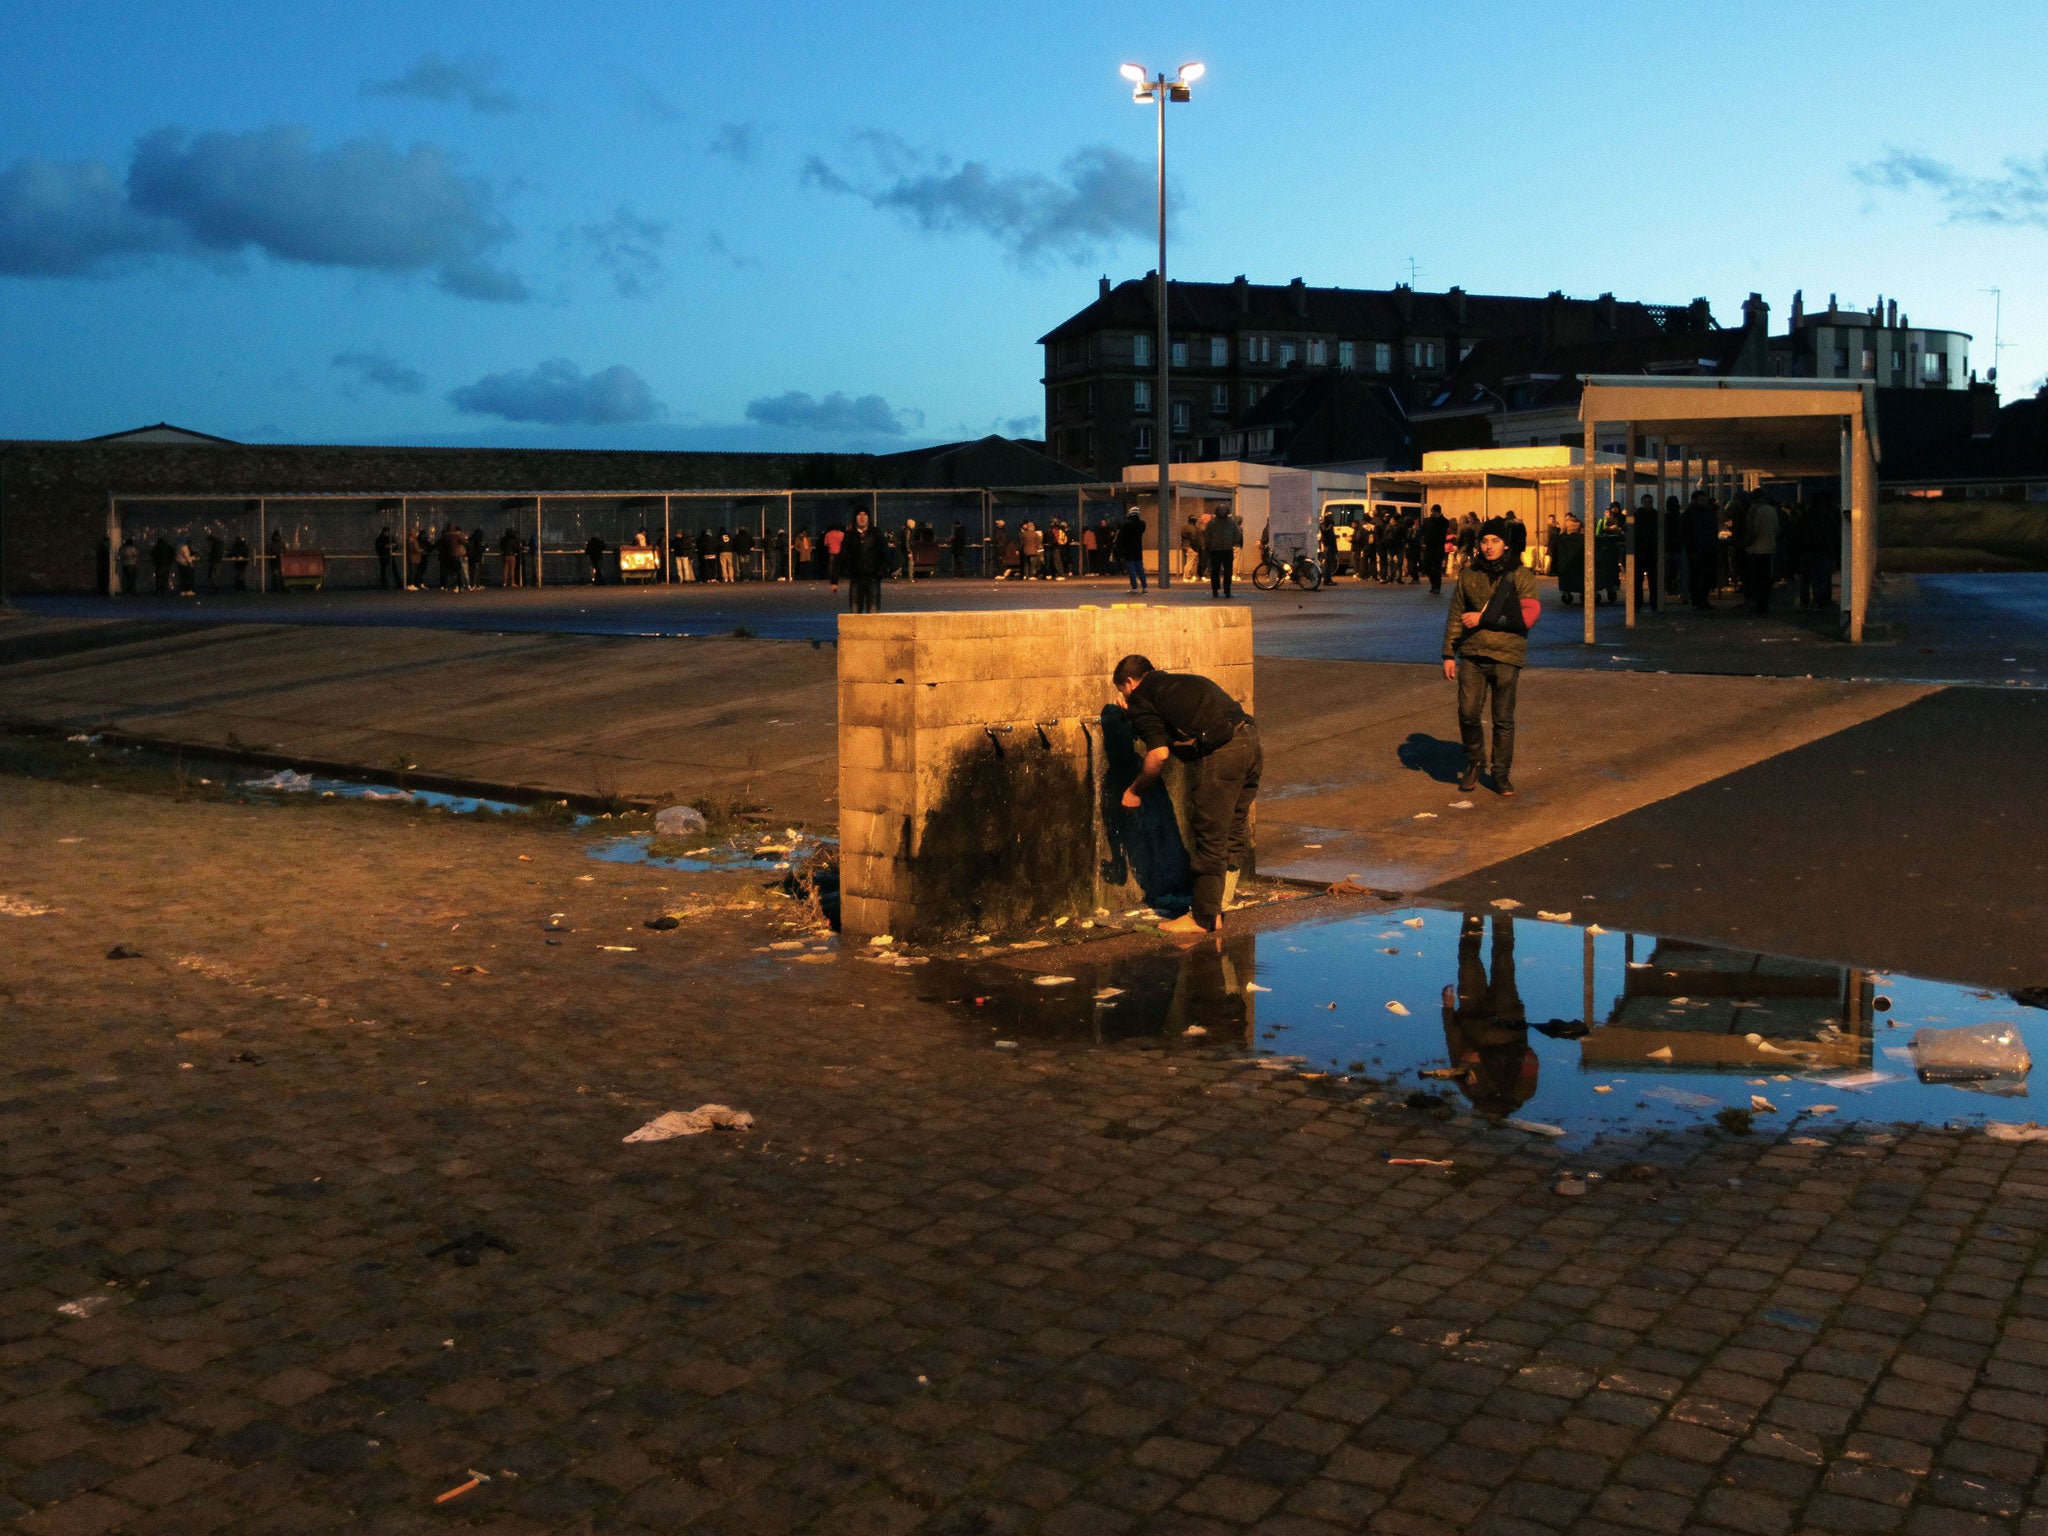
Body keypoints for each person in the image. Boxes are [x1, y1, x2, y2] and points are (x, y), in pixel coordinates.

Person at [1113, 654, 1261, 936]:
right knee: (1233, 830)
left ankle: (1203, 918)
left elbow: (1158, 754)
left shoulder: (1142, 698)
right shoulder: (1183, 683)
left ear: (1129, 682)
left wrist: (1135, 791)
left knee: (1210, 837)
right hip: (1251, 743)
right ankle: (1218, 907)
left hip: (1223, 756)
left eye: (1123, 691)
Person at [1444, 518, 1541, 796]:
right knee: (1468, 713)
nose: (1489, 546)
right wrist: (1449, 653)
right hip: (1472, 654)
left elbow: (1527, 617)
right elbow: (1455, 615)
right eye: (1484, 541)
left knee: (1503, 718)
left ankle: (1500, 774)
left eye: (1495, 541)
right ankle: (1475, 760)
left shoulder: (1520, 575)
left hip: (1507, 654)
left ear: (1506, 544)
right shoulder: (1469, 574)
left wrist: (1484, 618)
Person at [1439, 913, 1536, 1119]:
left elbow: (1456, 1048)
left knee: (1474, 961)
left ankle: (1477, 916)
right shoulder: (1521, 1091)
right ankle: (1501, 917)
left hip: (1475, 1016)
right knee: (1500, 961)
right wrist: (1483, 1056)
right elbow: (1530, 1058)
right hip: (1505, 1018)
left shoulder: (1473, 1090)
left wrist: (1448, 1010)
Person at [836, 507, 891, 614]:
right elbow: (842, 555)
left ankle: (873, 631)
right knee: (855, 611)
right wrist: (836, 577)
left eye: (865, 514)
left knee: (873, 610)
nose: (862, 517)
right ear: (855, 517)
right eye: (859, 514)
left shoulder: (876, 534)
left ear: (868, 517)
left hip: (873, 578)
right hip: (856, 578)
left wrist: (881, 571)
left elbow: (885, 554)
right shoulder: (850, 535)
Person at [1683, 490, 1718, 610]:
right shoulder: (1699, 513)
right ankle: (1699, 600)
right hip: (1699, 549)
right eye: (1702, 500)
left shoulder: (1691, 513)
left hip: (1703, 549)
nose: (1704, 502)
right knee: (1698, 576)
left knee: (1701, 575)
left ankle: (1700, 599)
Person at [1744, 494, 1779, 613]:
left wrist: (1746, 544)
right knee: (1765, 579)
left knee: (1754, 579)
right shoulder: (1772, 510)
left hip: (1755, 550)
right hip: (1769, 548)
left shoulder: (1754, 510)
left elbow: (1753, 530)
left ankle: (1756, 604)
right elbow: (1777, 529)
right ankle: (1764, 604)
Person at [1204, 506, 1242, 598]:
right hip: (1216, 550)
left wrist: (1232, 542)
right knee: (1215, 571)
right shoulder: (1213, 523)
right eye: (1220, 510)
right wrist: (1210, 545)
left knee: (1226, 571)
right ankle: (1216, 589)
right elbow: (1207, 536)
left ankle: (1226, 589)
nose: (1222, 512)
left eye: (1224, 510)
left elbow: (1237, 534)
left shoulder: (1229, 523)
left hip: (1226, 549)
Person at [1115, 510, 1148, 592]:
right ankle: (1144, 587)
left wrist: (1120, 550)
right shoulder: (1142, 524)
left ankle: (1134, 587)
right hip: (1138, 549)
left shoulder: (1125, 526)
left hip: (1128, 550)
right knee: (1140, 568)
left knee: (1131, 570)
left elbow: (1120, 539)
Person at [1422, 503, 1449, 595]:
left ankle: (1437, 587)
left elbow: (1441, 530)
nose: (1431, 513)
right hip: (1429, 547)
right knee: (1427, 566)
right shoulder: (1428, 520)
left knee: (1437, 567)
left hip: (1438, 547)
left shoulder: (1444, 521)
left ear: (1436, 511)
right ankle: (1433, 584)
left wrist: (1435, 520)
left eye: (1432, 511)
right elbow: (1424, 530)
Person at [1179, 512, 1203, 581]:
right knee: (1191, 561)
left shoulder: (1184, 527)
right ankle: (1187, 576)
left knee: (1192, 560)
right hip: (1191, 546)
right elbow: (1194, 539)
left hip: (1185, 545)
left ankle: (1191, 576)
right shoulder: (1193, 528)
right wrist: (1196, 547)